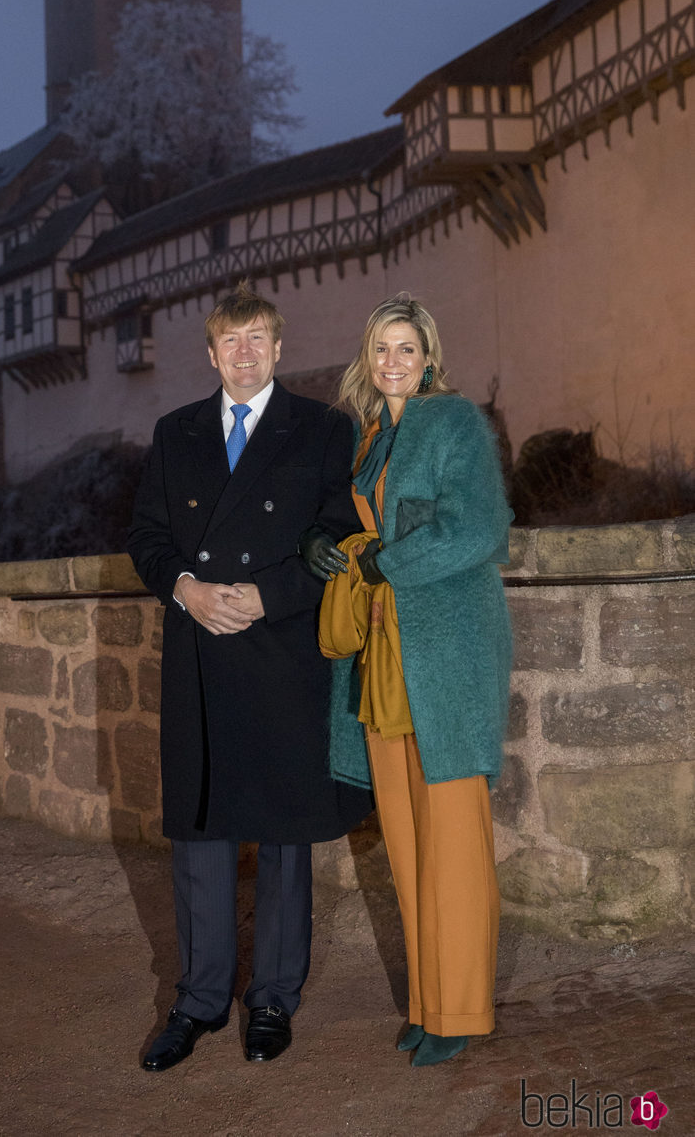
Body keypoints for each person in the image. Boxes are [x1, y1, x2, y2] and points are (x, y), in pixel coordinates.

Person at [127, 283, 372, 1072]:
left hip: (281, 651)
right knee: (201, 832)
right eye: (230, 341)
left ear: (277, 346)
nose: (244, 353)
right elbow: (147, 537)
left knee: (282, 836)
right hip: (200, 651)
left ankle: (272, 998)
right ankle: (197, 1002)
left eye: (258, 338)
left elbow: (339, 536)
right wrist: (187, 590)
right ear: (210, 353)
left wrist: (268, 594)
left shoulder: (325, 430)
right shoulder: (175, 433)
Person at [301, 292, 513, 1068]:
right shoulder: (370, 440)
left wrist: (385, 560)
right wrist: (328, 543)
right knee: (406, 841)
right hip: (386, 661)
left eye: (407, 349)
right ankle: (430, 1004)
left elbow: (481, 527)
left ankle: (461, 1009)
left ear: (429, 359)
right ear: (368, 359)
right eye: (382, 349)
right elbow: (367, 524)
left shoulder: (453, 422)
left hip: (446, 659)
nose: (394, 362)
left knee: (454, 841)